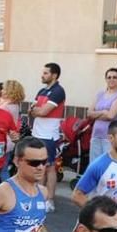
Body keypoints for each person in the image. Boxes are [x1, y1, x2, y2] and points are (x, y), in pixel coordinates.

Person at [71, 119, 117, 225]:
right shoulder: (99, 165)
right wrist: (100, 216)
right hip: (103, 224)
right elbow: (77, 195)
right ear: (111, 138)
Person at [30, 63, 67, 212]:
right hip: (37, 133)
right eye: (43, 72)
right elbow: (32, 110)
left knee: (50, 167)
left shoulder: (58, 91)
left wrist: (38, 110)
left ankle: (49, 199)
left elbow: (44, 111)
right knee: (39, 166)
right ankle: (39, 196)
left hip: (49, 135)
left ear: (54, 75)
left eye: (46, 73)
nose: (42, 75)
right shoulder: (42, 90)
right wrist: (37, 110)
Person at [87, 68, 117, 159]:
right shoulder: (100, 94)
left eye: (114, 77)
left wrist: (96, 115)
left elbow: (111, 116)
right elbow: (89, 113)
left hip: (110, 137)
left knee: (108, 164)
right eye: (109, 77)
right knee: (94, 165)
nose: (111, 79)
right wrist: (103, 112)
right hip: (96, 135)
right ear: (105, 79)